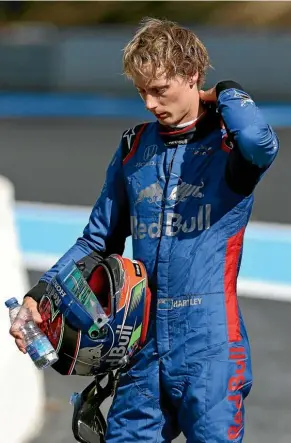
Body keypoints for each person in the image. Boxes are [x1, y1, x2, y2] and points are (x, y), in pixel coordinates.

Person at [11, 17, 279, 443]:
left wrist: (223, 90)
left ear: (192, 76)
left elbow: (260, 141)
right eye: (142, 91)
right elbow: (96, 240)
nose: (151, 104)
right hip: (141, 345)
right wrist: (39, 296)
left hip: (210, 344)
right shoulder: (135, 146)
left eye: (160, 90)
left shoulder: (229, 145)